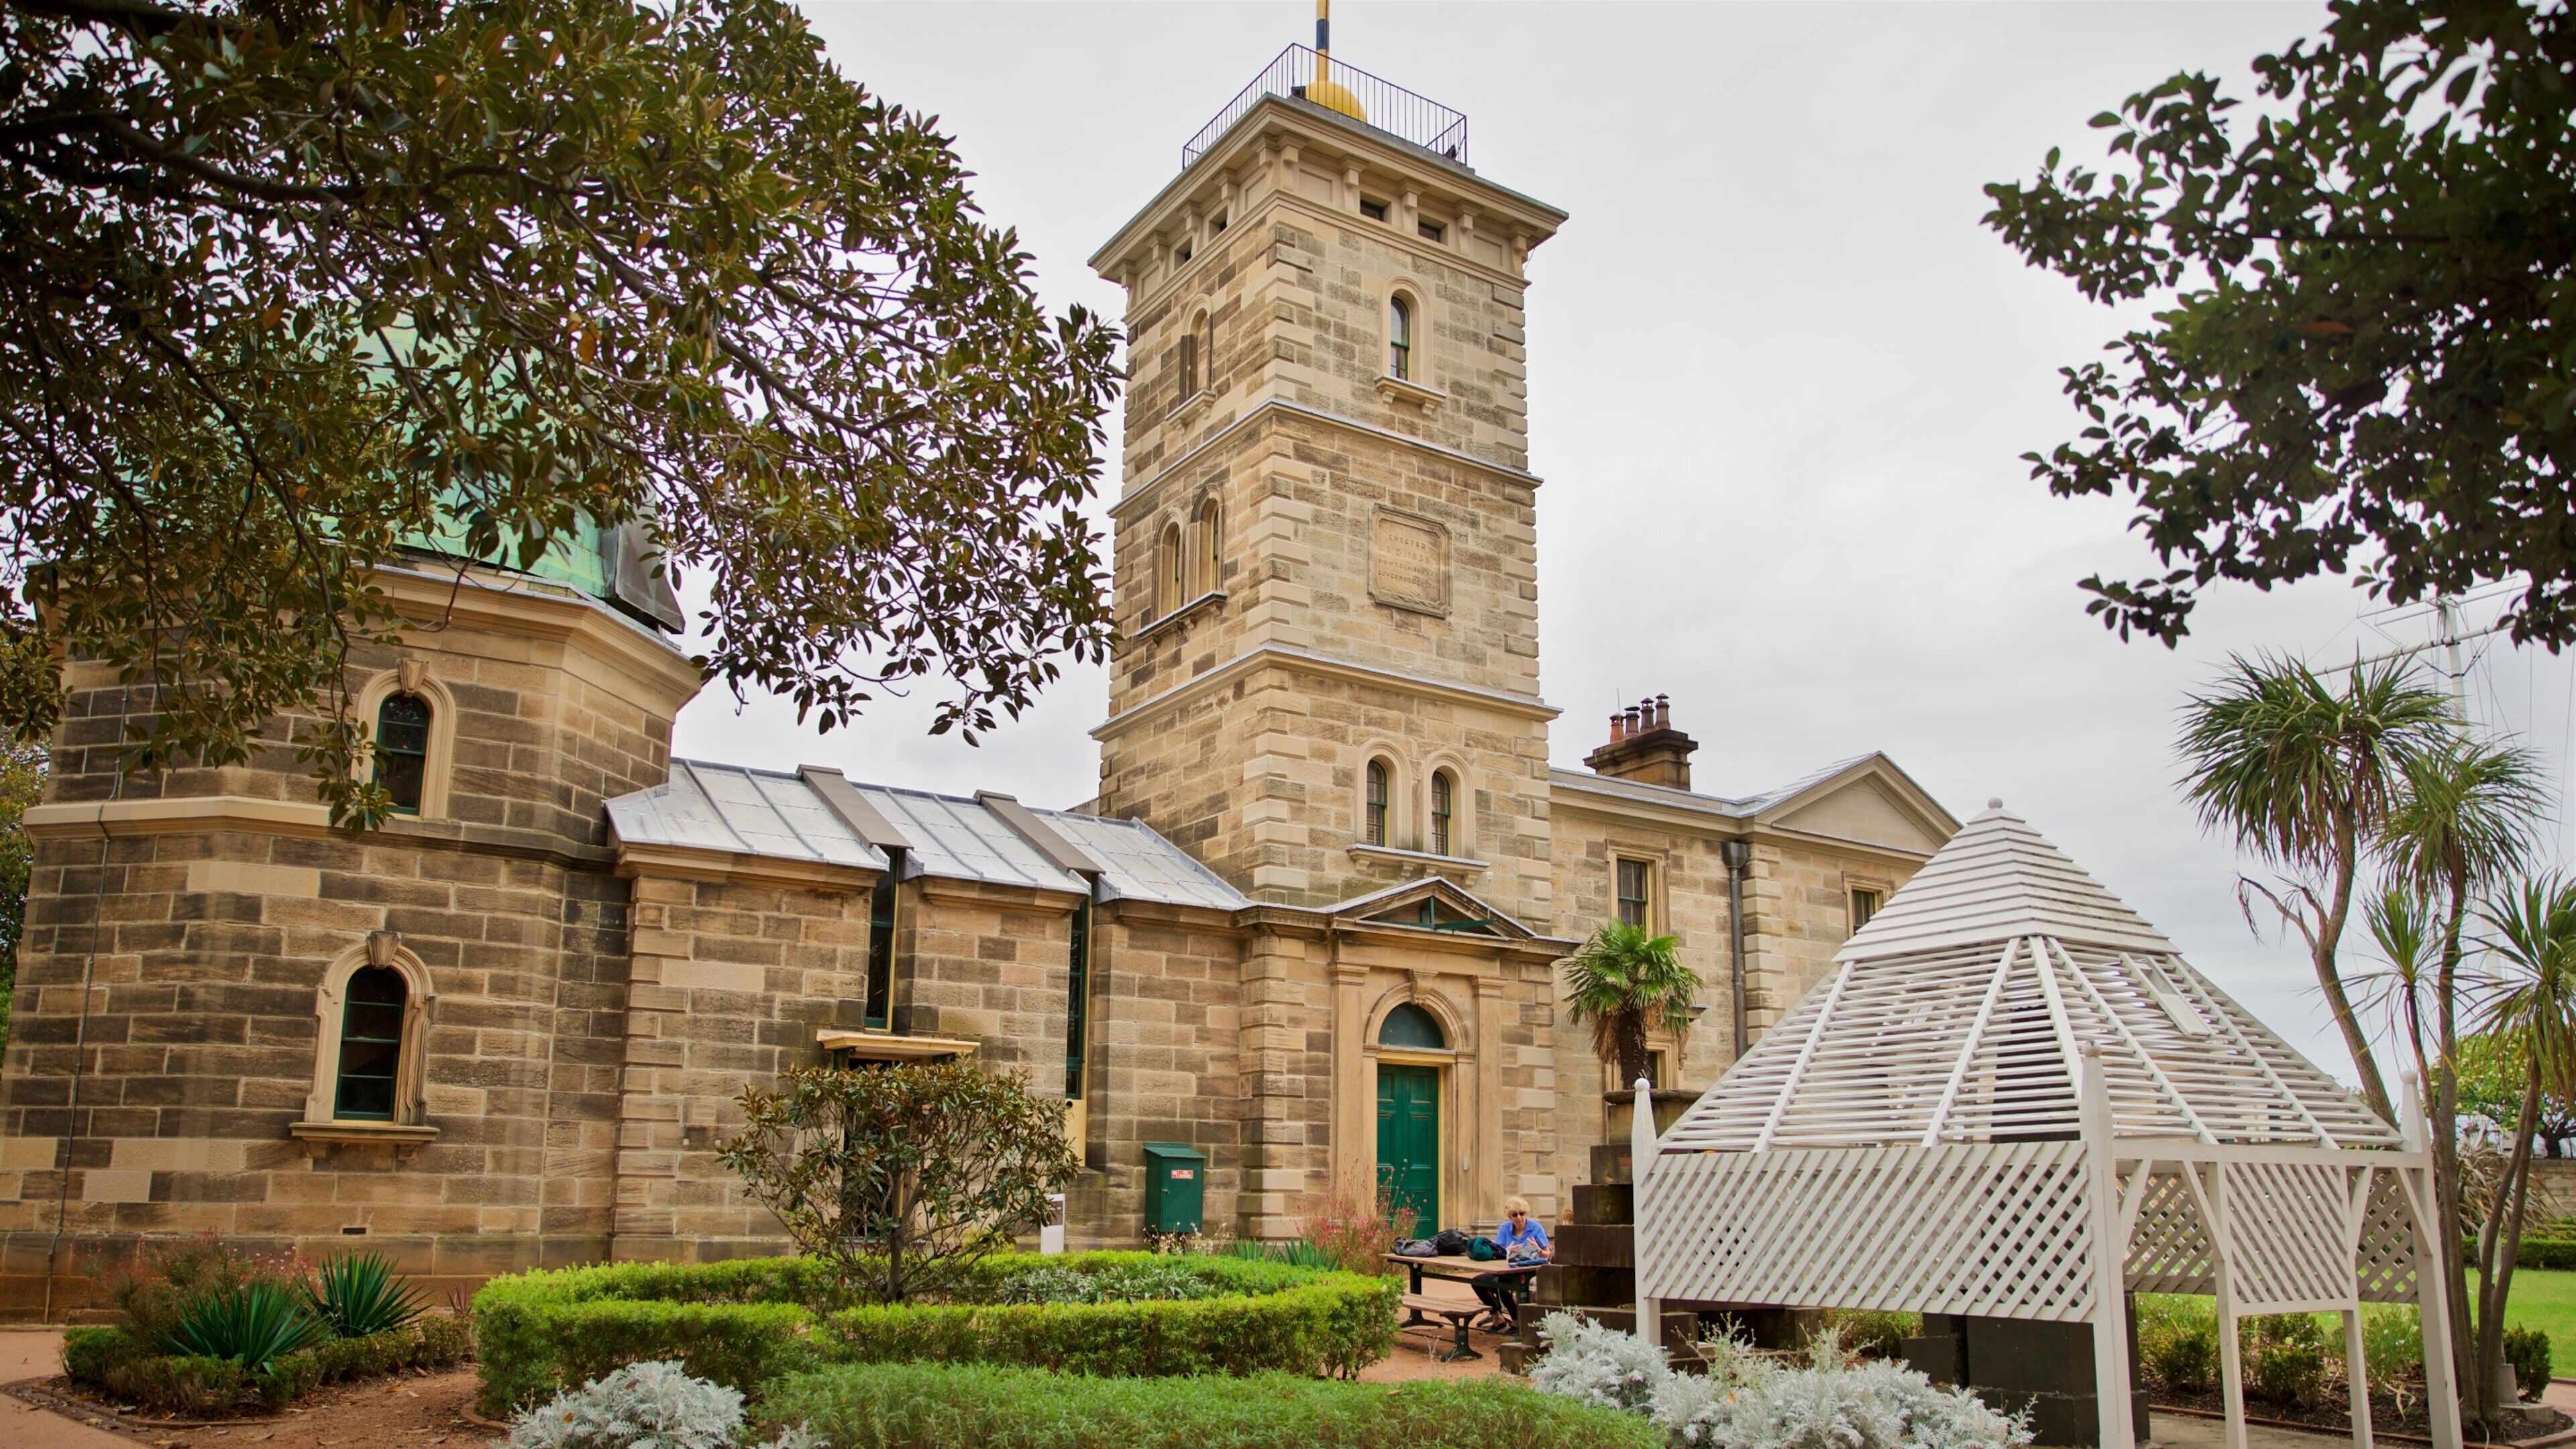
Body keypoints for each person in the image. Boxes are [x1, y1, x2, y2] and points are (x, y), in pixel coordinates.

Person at [1473, 1196, 1552, 1331]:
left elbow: (1548, 1255)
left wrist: (1537, 1249)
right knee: (1478, 1282)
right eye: (1515, 1215)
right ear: (1510, 1216)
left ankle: (1516, 1322)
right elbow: (1496, 1251)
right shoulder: (1505, 1228)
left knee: (1502, 1284)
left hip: (1530, 1270)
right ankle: (1497, 1317)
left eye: (1522, 1214)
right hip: (1508, 1269)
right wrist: (1506, 1251)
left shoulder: (1535, 1228)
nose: (1519, 1218)